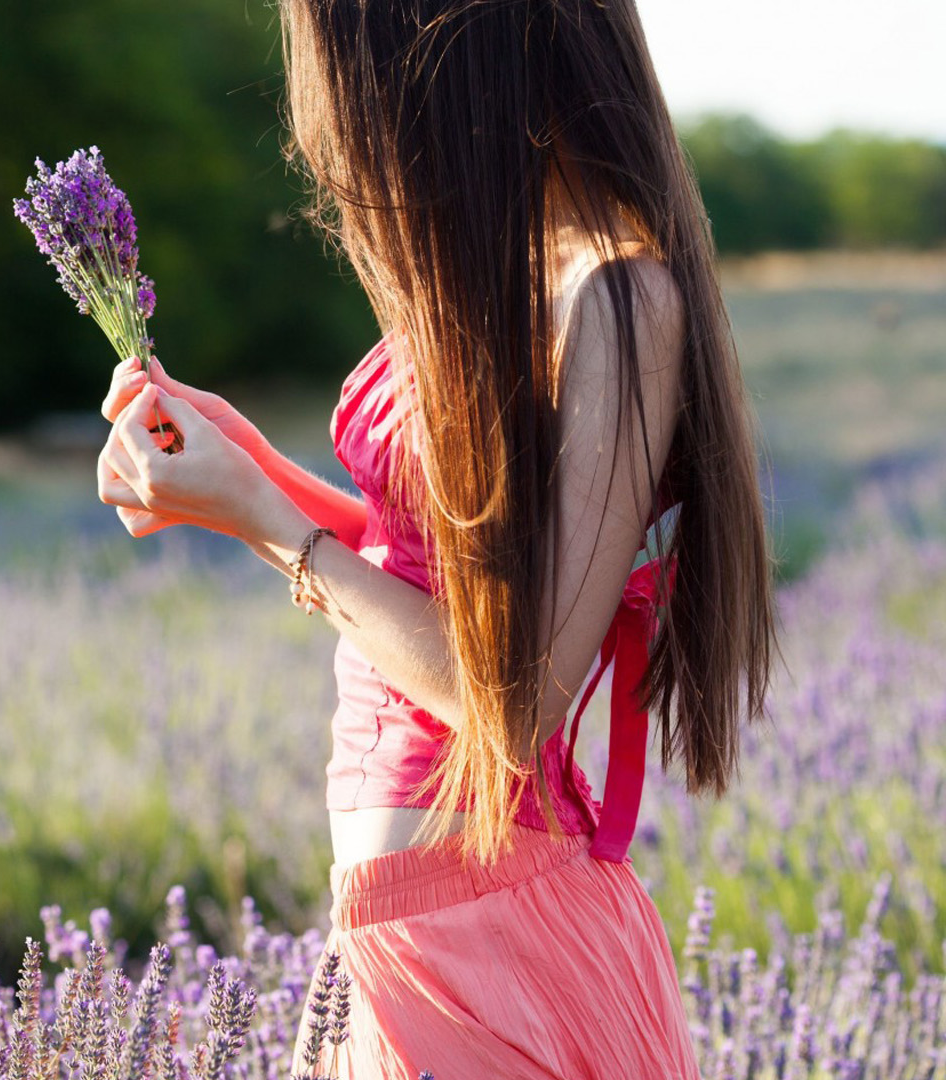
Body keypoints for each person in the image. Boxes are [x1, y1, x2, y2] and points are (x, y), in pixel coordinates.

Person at [93, 1, 776, 1076]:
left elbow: (515, 699)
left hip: (492, 939)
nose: (339, 137)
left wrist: (263, 519)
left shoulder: (618, 294)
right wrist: (240, 476)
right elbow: (424, 573)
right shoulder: (495, 274)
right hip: (392, 934)